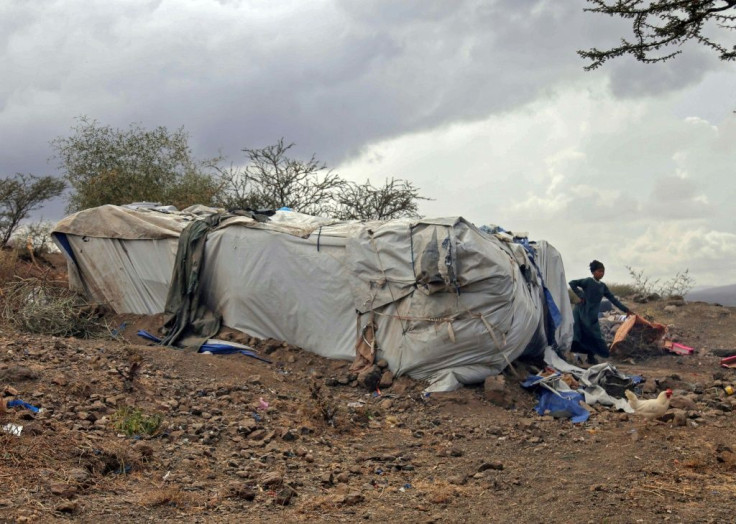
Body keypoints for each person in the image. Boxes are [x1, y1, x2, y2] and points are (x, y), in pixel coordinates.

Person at [569, 260, 632, 365]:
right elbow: (572, 283)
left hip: (592, 314)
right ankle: (577, 356)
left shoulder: (602, 286)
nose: (601, 273)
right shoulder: (588, 281)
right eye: (599, 271)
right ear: (593, 272)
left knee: (595, 336)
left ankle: (590, 357)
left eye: (603, 271)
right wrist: (581, 296)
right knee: (580, 335)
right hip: (582, 312)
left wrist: (626, 310)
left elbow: (613, 299)